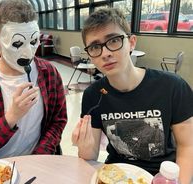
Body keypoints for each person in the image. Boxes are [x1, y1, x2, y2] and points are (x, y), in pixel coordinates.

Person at [71, 8, 193, 184]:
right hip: (115, 175)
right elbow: (90, 156)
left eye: (113, 40)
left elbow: (187, 146)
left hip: (163, 176)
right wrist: (82, 144)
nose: (105, 53)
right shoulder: (93, 95)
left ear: (132, 42)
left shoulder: (172, 86)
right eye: (95, 46)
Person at [0, 0, 67, 164]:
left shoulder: (49, 74)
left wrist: (39, 158)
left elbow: (58, 121)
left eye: (33, 41)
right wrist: (11, 117)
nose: (28, 52)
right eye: (17, 43)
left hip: (39, 164)